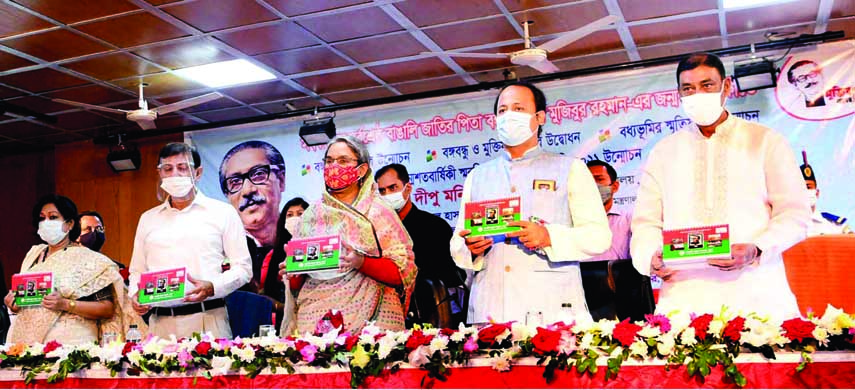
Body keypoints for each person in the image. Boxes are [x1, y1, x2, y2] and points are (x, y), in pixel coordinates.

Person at [631, 52, 811, 321]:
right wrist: (650, 256)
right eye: (688, 88)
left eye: (707, 85)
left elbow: (795, 214)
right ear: (678, 94)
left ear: (726, 87)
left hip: (755, 290)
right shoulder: (664, 151)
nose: (697, 94)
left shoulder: (764, 141)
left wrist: (758, 248)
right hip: (684, 297)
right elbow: (645, 223)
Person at [450, 81, 611, 325]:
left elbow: (598, 237)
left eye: (518, 108)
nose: (508, 116)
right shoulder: (478, 176)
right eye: (502, 111)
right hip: (490, 310)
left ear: (540, 117)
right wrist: (472, 248)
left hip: (551, 310)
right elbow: (458, 246)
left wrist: (548, 237)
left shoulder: (570, 169)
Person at [279, 135, 416, 334]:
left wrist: (361, 262)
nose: (334, 167)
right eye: (329, 161)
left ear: (361, 170)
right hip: (315, 323)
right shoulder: (311, 216)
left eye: (343, 161)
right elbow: (299, 282)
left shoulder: (378, 212)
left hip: (372, 324)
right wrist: (292, 271)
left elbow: (402, 272)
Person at [129, 143, 252, 339]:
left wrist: (213, 286)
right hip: (159, 324)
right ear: (159, 173)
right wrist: (135, 295)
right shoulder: (148, 218)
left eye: (183, 168)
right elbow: (137, 270)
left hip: (207, 319)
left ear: (198, 172)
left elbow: (244, 269)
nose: (175, 174)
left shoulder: (222, 212)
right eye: (168, 169)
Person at [5, 195, 138, 345]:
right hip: (27, 344)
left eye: (53, 217)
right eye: (42, 218)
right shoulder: (33, 255)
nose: (45, 223)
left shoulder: (88, 259)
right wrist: (15, 304)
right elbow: (30, 300)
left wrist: (65, 304)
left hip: (70, 346)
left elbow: (107, 309)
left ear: (69, 224)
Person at [375, 163, 466, 327]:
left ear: (407, 188)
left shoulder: (434, 226)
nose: (387, 194)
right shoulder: (376, 231)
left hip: (430, 316)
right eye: (382, 191)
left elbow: (452, 276)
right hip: (388, 317)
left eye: (393, 187)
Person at [219, 140, 286, 291]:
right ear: (227, 195)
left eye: (258, 174)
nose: (248, 190)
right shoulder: (222, 250)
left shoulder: (299, 237)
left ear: (281, 180)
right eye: (235, 182)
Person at [586, 160, 631, 261]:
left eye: (599, 179)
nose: (593, 185)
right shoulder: (569, 222)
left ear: (614, 187)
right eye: (587, 181)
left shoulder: (629, 221)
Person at [801, 157, 851, 236]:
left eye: (808, 187)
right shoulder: (785, 226)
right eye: (800, 188)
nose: (804, 191)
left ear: (817, 193)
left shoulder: (836, 226)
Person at [78, 210, 128, 282]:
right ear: (76, 236)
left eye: (98, 228)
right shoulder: (71, 265)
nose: (94, 232)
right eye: (88, 229)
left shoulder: (116, 266)